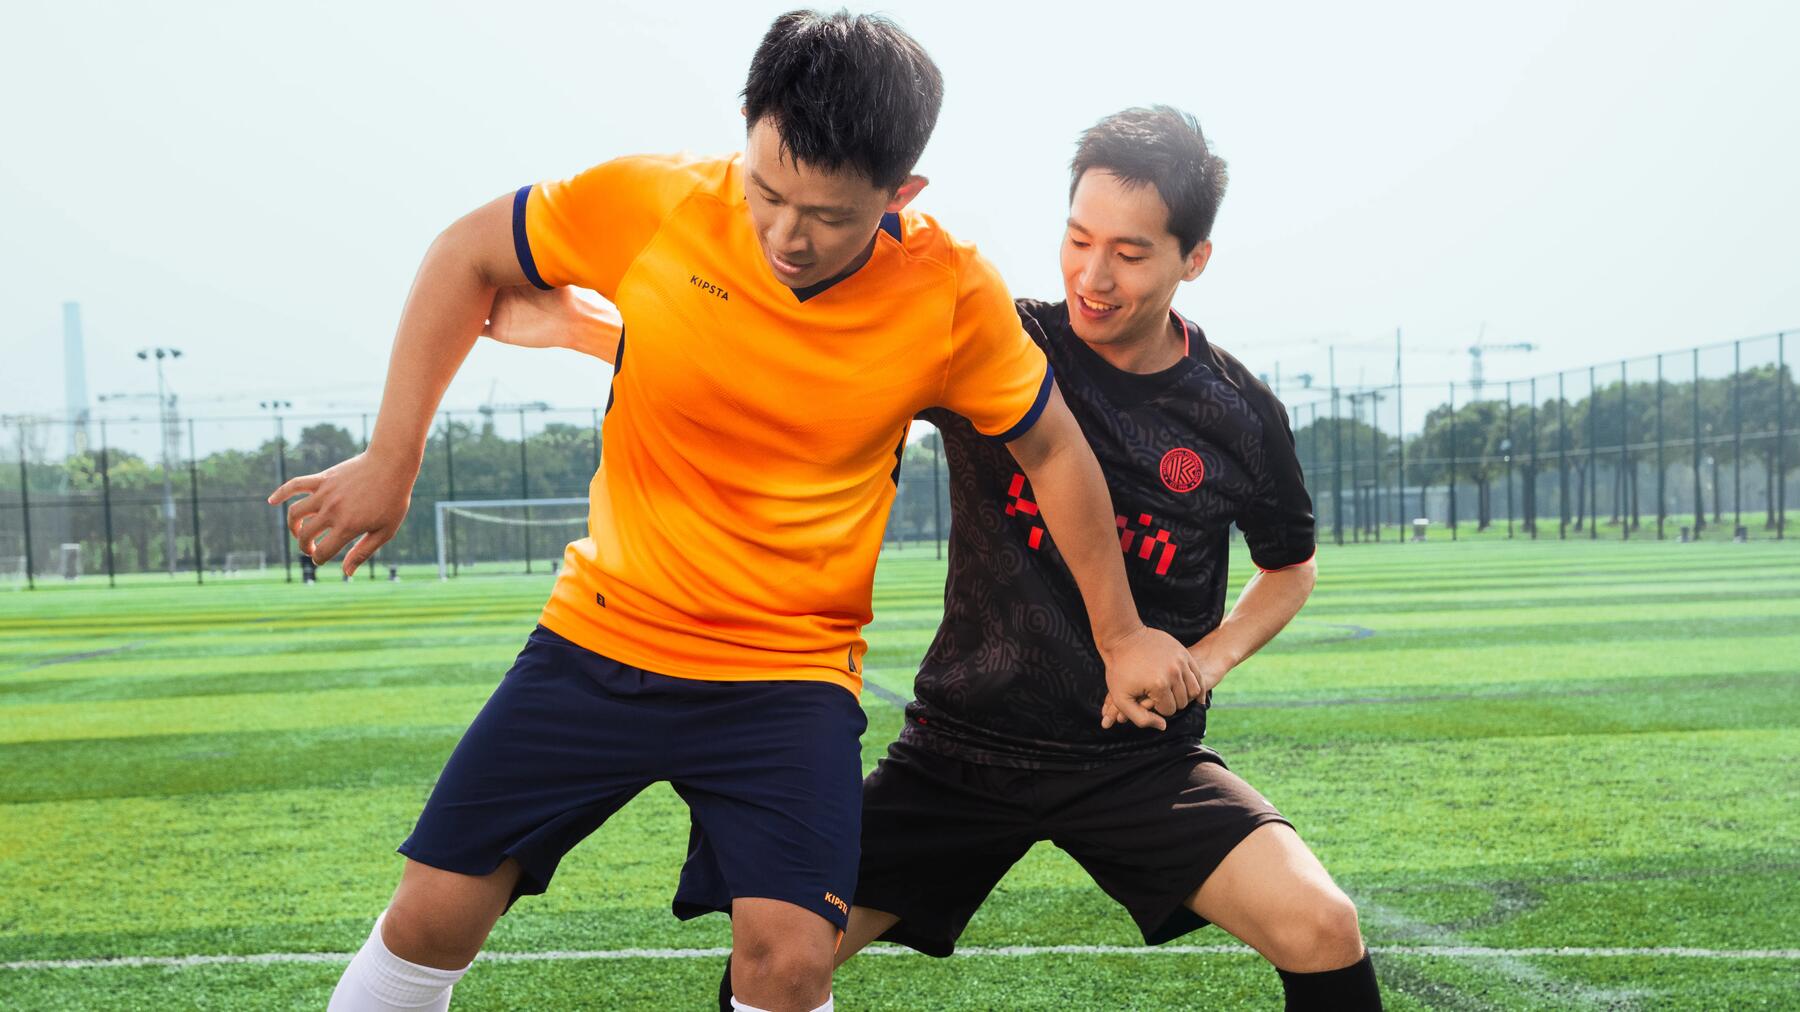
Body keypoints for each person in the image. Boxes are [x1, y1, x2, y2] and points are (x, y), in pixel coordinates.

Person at [271, 12, 1199, 1012]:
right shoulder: (653, 200)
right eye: (767, 191)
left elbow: (1053, 447)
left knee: (790, 963)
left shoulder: (948, 292)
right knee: (432, 914)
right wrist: (393, 457)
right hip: (602, 637)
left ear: (901, 194)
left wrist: (1120, 634)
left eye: (829, 215)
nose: (786, 235)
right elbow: (466, 253)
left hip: (786, 675)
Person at [493, 105, 1383, 1011]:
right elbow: (808, 375)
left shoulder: (1237, 412)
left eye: (1130, 253)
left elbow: (1290, 567)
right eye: (1078, 240)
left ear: (1193, 259)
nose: (1093, 275)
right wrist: (588, 331)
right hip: (960, 752)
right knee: (778, 966)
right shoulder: (999, 336)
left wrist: (1204, 661)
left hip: (1135, 759)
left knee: (1323, 926)